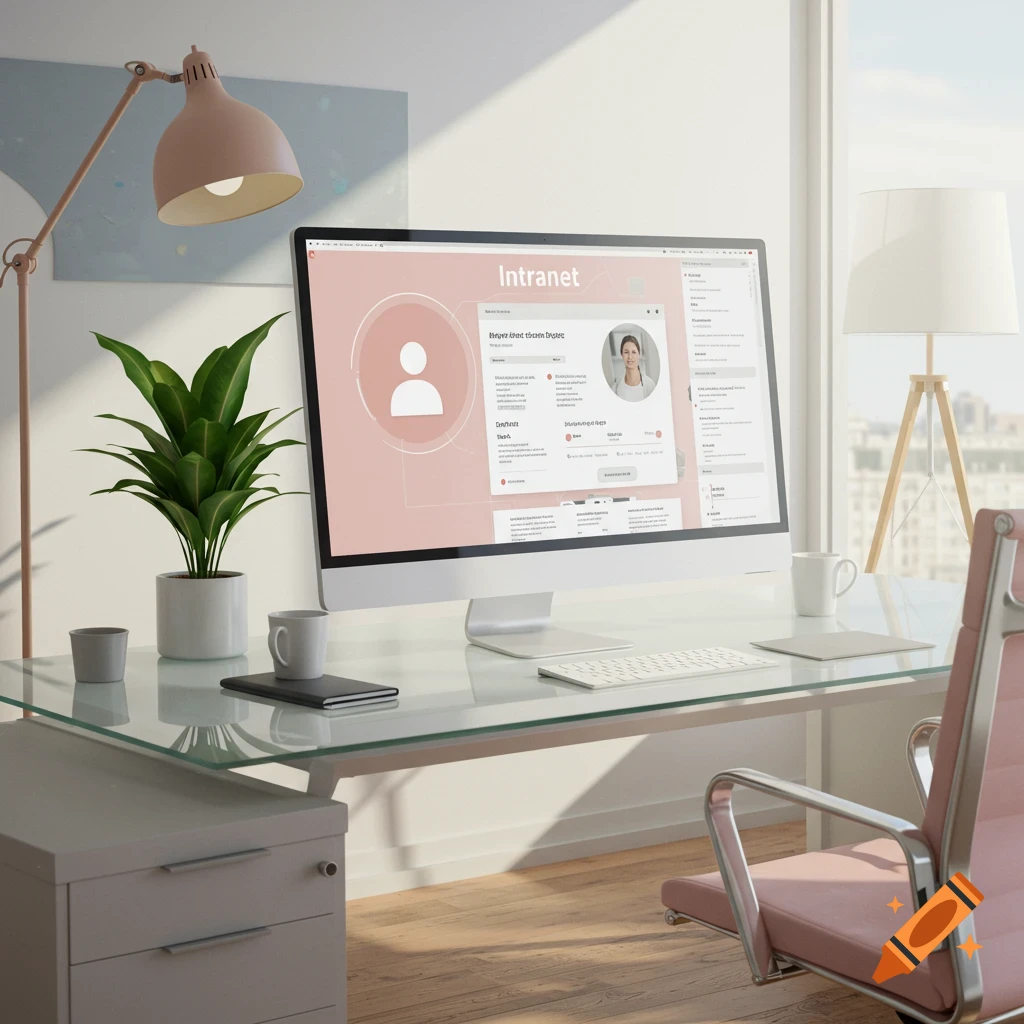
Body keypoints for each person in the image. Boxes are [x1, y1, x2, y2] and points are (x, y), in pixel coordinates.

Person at [611, 335, 656, 401]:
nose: (630, 357)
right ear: (622, 355)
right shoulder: (615, 388)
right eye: (626, 352)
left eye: (634, 352)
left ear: (638, 354)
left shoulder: (650, 385)